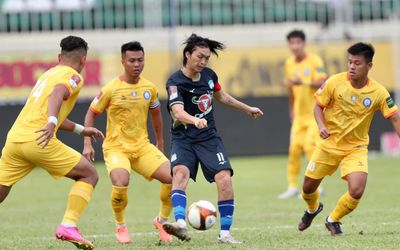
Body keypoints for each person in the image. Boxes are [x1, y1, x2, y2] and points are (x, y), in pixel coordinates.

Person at [0, 36, 104, 249]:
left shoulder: (47, 74)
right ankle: (68, 225)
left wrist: (80, 129)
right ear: (83, 60)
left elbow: (48, 106)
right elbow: (58, 93)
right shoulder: (73, 76)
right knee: (89, 174)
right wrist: (51, 122)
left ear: (59, 57)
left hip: (15, 139)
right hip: (39, 139)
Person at [162, 34, 263, 244]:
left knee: (224, 178)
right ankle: (180, 223)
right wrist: (194, 120)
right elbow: (178, 112)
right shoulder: (175, 82)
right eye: (200, 57)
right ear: (187, 55)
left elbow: (222, 96)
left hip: (208, 138)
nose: (203, 61)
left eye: (207, 58)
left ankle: (225, 234)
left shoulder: (209, 76)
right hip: (183, 137)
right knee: (180, 173)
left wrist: (247, 108)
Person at [297, 42, 400, 235]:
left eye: (357, 63)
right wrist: (322, 126)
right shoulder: (334, 82)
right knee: (307, 189)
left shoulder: (378, 92)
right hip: (328, 145)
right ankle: (312, 209)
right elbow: (317, 106)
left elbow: (395, 117)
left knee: (357, 190)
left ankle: (333, 219)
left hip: (356, 148)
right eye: (350, 62)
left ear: (369, 66)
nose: (352, 66)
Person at [83, 41, 173, 245]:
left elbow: (157, 116)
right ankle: (120, 225)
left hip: (142, 147)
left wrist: (159, 143)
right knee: (121, 182)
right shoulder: (110, 89)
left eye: (140, 60)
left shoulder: (149, 88)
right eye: (131, 60)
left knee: (173, 178)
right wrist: (87, 144)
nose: (136, 64)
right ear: (122, 61)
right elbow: (91, 113)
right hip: (116, 148)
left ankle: (162, 222)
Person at [278, 30, 327, 199]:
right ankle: (292, 186)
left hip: (315, 114)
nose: (295, 46)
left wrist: (303, 82)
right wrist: (292, 110)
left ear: (304, 43)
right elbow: (290, 89)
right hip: (299, 115)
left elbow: (323, 82)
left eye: (298, 42)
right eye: (292, 43)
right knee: (294, 149)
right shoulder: (289, 63)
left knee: (309, 147)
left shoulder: (315, 61)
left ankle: (315, 187)